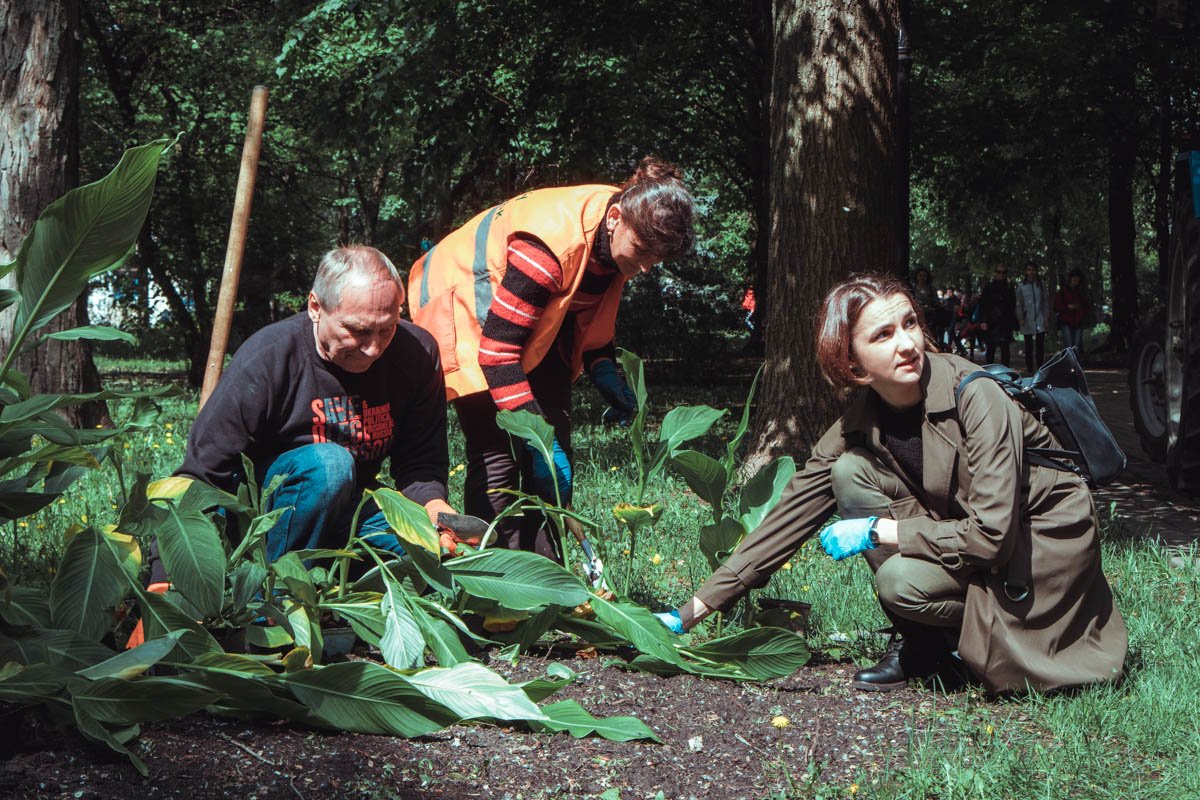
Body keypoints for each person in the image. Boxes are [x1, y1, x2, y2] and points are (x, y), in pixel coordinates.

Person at [656, 274, 1127, 695]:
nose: (907, 344)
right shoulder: (860, 421)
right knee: (848, 472)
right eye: (883, 335)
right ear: (854, 365)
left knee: (900, 581)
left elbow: (991, 538)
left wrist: (878, 531)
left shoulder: (977, 397)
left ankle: (973, 643)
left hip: (1038, 556)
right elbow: (786, 520)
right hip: (975, 538)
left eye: (909, 324)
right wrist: (687, 614)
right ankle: (927, 649)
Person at [409, 157, 695, 560]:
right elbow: (496, 351)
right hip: (469, 313)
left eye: (657, 259)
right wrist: (538, 439)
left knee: (555, 457)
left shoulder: (617, 242)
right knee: (499, 456)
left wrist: (605, 373)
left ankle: (548, 577)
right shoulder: (547, 249)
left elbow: (581, 315)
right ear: (615, 218)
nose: (646, 267)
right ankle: (495, 579)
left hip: (527, 326)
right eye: (643, 252)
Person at [174, 245, 458, 565]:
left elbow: (421, 462)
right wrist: (166, 580)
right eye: (357, 330)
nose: (373, 348)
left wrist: (434, 512)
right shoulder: (268, 358)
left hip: (350, 505)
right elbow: (201, 476)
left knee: (437, 554)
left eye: (386, 329)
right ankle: (273, 600)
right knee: (329, 466)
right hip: (261, 510)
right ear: (315, 307)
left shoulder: (417, 354)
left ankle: (335, 594)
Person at [1015, 260, 1053, 374]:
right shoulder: (1021, 286)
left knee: (1040, 346)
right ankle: (1030, 369)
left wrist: (1046, 317)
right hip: (1027, 319)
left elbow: (1045, 302)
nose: (1031, 272)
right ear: (1026, 272)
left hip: (1040, 318)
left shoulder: (1041, 285)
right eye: (1029, 270)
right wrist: (1020, 317)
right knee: (1028, 346)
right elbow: (1019, 303)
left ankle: (1040, 368)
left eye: (1033, 270)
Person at [976, 265, 1017, 366]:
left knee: (1005, 350)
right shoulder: (988, 287)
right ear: (995, 273)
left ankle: (1006, 373)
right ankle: (989, 371)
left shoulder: (1010, 287)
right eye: (999, 272)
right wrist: (983, 321)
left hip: (1005, 322)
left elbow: (1012, 306)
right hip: (991, 322)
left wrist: (1014, 323)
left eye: (1003, 272)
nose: (1001, 275)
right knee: (990, 349)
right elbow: (983, 305)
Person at [1054, 268, 1090, 358]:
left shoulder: (1082, 292)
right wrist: (1067, 307)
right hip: (1066, 321)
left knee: (1076, 346)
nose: (1076, 282)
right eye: (1074, 279)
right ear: (1070, 279)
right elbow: (1056, 306)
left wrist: (1080, 310)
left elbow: (1086, 306)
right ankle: (1070, 364)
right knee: (1069, 345)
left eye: (1077, 280)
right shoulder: (1063, 291)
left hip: (1078, 321)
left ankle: (1076, 365)